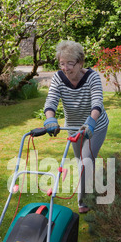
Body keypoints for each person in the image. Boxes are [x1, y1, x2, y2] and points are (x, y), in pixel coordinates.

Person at [43, 40, 109, 214]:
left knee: (86, 162)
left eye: (70, 64)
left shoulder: (92, 77)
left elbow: (97, 102)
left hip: (95, 126)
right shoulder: (59, 77)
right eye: (62, 63)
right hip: (73, 127)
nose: (65, 68)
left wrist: (91, 121)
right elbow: (51, 101)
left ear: (80, 63)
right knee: (81, 161)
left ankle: (83, 202)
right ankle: (92, 186)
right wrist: (50, 119)